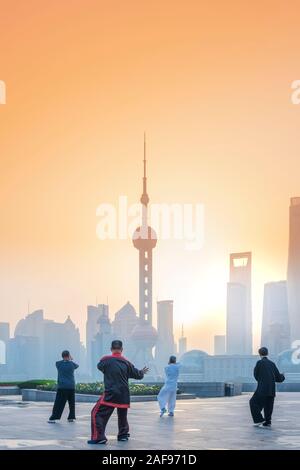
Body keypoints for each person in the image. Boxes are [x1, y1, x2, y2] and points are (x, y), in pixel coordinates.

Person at [88, 340, 149, 445]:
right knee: (122, 415)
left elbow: (99, 366)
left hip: (111, 394)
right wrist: (141, 372)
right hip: (124, 395)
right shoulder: (127, 363)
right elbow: (138, 375)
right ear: (122, 350)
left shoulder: (106, 361)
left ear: (111, 349)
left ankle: (99, 437)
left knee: (96, 413)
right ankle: (123, 435)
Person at [249, 347, 285, 427]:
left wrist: (262, 380)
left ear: (259, 354)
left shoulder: (259, 363)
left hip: (262, 389)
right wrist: (283, 376)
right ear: (267, 353)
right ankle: (268, 422)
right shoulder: (272, 364)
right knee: (268, 405)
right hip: (271, 390)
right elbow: (279, 378)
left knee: (253, 402)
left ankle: (259, 420)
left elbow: (256, 375)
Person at [48, 350, 79, 423]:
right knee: (71, 403)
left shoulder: (58, 364)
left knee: (59, 403)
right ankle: (71, 418)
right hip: (71, 386)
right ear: (68, 356)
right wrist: (71, 359)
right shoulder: (72, 364)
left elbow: (57, 363)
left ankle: (53, 418)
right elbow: (77, 366)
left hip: (62, 386)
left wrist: (67, 358)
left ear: (62, 356)